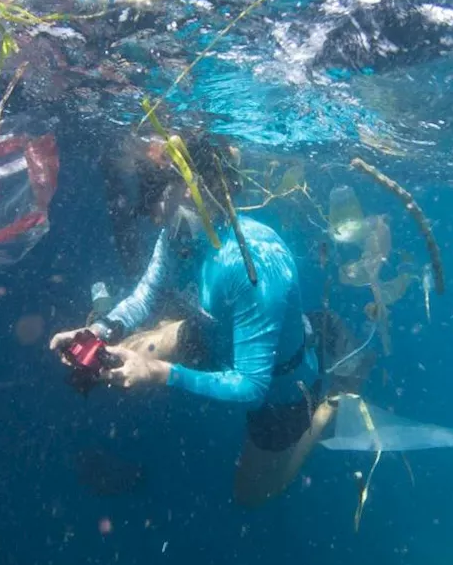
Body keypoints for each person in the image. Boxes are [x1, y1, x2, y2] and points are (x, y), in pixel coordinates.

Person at [52, 132, 337, 507]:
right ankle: (314, 333)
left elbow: (252, 387)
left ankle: (329, 406)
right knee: (128, 351)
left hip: (279, 382)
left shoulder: (253, 267)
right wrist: (99, 331)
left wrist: (157, 372)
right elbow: (144, 296)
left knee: (252, 495)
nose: (151, 213)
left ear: (189, 189)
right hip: (214, 333)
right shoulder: (177, 234)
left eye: (154, 193)